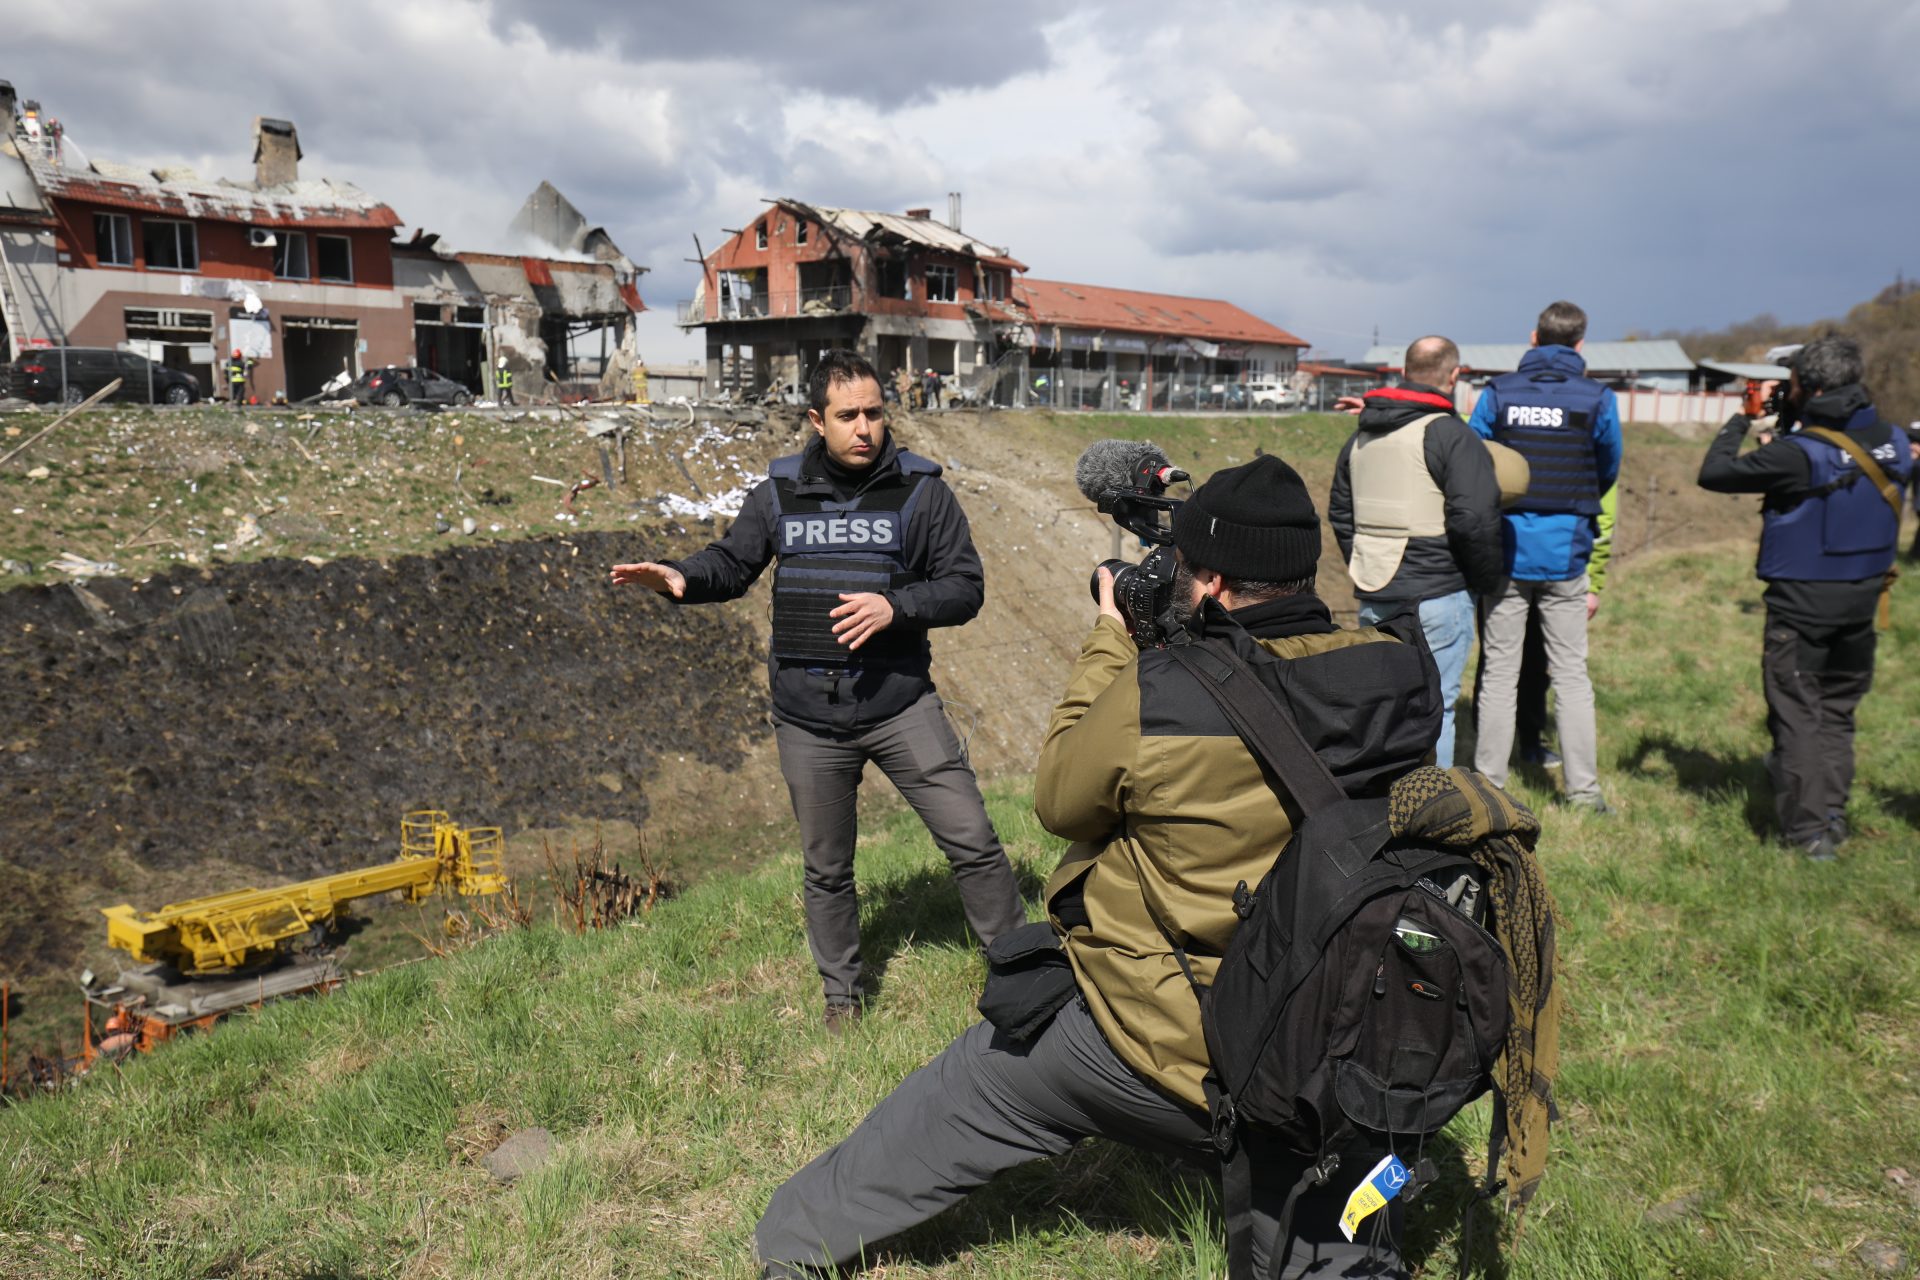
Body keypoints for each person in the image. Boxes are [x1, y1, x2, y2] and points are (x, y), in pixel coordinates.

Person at [753, 455, 1442, 1278]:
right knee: (1319, 1221)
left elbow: (1061, 801)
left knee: (980, 1085)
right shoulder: (1401, 669)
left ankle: (792, 1238)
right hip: (1347, 1041)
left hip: (1173, 1043)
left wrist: (1113, 640)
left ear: (1214, 583)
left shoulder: (1167, 692)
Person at [611, 349, 1024, 1029]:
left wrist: (900, 606)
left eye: (875, 413)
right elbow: (732, 562)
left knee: (973, 840)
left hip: (899, 704)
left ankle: (1019, 971)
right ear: (816, 419)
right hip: (807, 719)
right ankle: (843, 1000)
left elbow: (964, 586)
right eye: (848, 415)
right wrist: (682, 577)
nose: (865, 428)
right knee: (827, 869)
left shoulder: (923, 493)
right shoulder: (778, 493)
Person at [1697, 336, 1911, 859]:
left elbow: (1715, 472)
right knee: (1837, 712)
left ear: (1809, 388)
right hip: (1863, 602)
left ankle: (1808, 834)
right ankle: (1832, 815)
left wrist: (1742, 420)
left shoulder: (1799, 455)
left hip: (1801, 608)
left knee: (1797, 714)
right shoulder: (1895, 441)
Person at [1467, 301, 1622, 811]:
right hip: (1567, 555)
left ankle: (1490, 785)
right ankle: (1584, 792)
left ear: (1533, 338)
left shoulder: (1498, 393)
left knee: (1499, 674)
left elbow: (1472, 460)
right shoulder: (1597, 398)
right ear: (1580, 344)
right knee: (1572, 675)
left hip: (1507, 552)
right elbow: (1608, 468)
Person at [1329, 335, 1502, 767]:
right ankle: (1432, 816)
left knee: (1384, 710)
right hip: (1439, 595)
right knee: (1435, 708)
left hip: (1374, 592)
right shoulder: (1452, 436)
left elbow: (1340, 513)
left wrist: (1366, 558)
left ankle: (1384, 804)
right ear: (1455, 375)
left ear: (1404, 373)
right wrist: (1484, 582)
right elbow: (1474, 520)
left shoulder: (1360, 439)